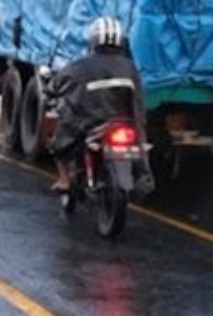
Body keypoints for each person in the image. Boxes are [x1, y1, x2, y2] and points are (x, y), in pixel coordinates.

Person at [49, 16, 147, 195]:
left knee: (58, 144)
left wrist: (51, 90)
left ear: (93, 40)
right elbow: (138, 99)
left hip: (89, 123)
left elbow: (57, 84)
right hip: (123, 121)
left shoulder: (80, 65)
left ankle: (64, 181)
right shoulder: (130, 67)